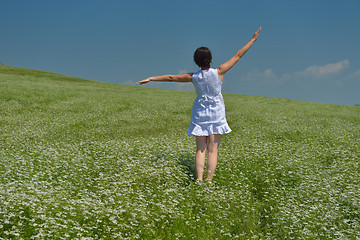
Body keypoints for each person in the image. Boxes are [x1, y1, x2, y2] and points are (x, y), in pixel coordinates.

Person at [136, 27, 261, 185]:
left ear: (196, 61)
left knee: (200, 149)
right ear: (210, 59)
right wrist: (253, 39)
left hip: (200, 113)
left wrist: (151, 78)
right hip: (216, 113)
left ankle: (199, 180)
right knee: (213, 150)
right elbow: (238, 55)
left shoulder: (193, 77)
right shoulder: (219, 72)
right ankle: (209, 182)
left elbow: (170, 77)